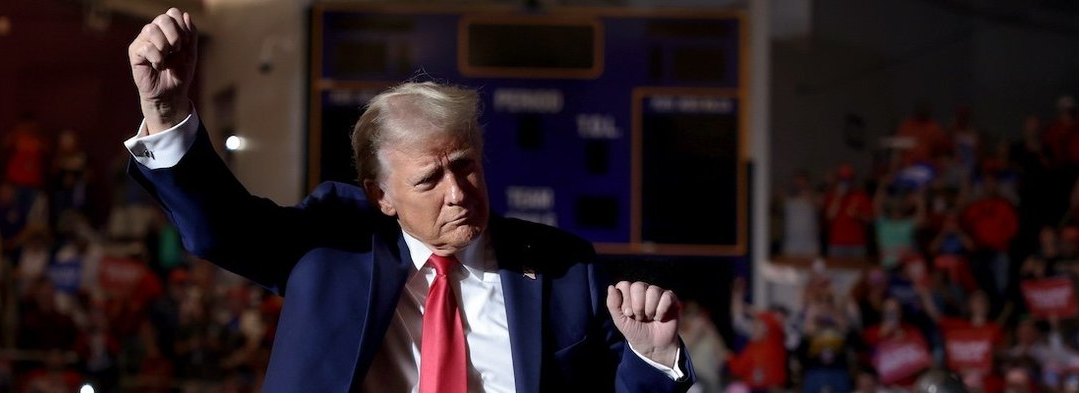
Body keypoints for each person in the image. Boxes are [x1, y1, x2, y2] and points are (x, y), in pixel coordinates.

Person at [123, 8, 693, 392]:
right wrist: (168, 114)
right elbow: (221, 230)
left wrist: (650, 359)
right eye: (429, 180)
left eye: (466, 165)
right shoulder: (334, 240)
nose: (459, 193)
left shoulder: (567, 269)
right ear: (382, 195)